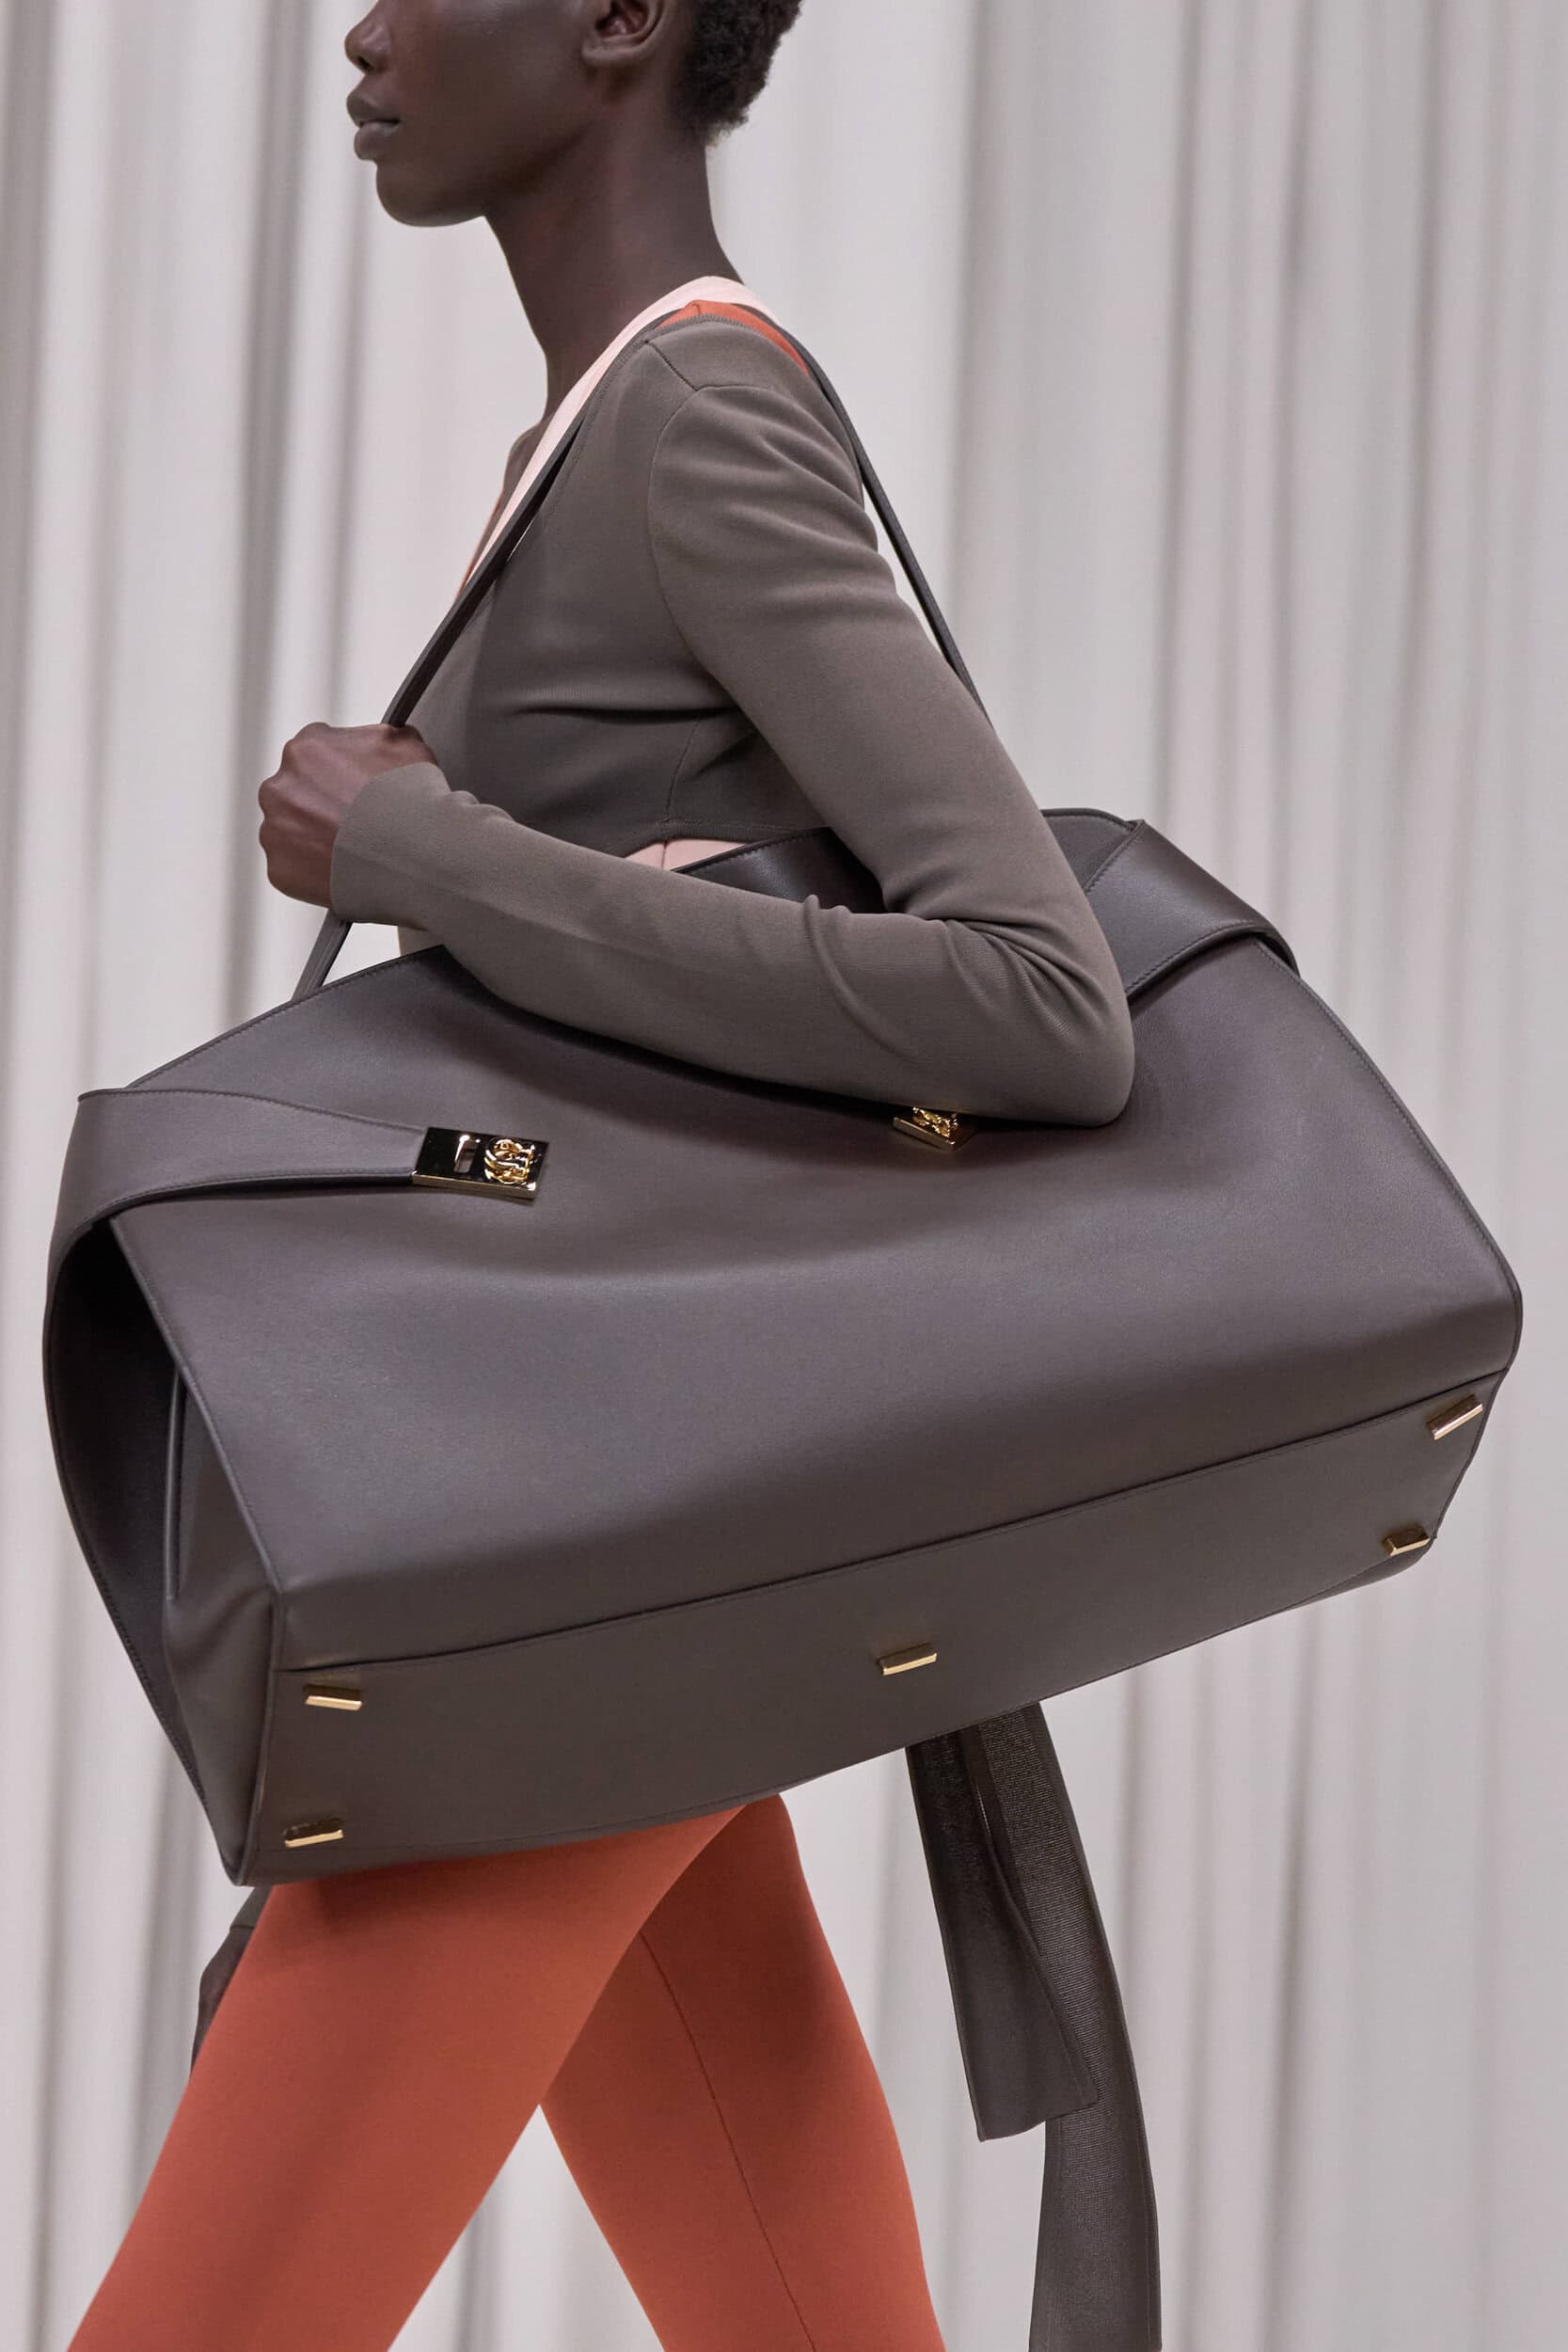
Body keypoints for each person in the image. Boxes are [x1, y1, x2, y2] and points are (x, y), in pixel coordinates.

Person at [68, 4, 1133, 2347]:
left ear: (624, 22)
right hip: (619, 1536)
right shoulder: (599, 432)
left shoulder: (695, 412)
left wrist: (431, 850)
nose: (364, 28)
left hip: (585, 1564)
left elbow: (1043, 996)